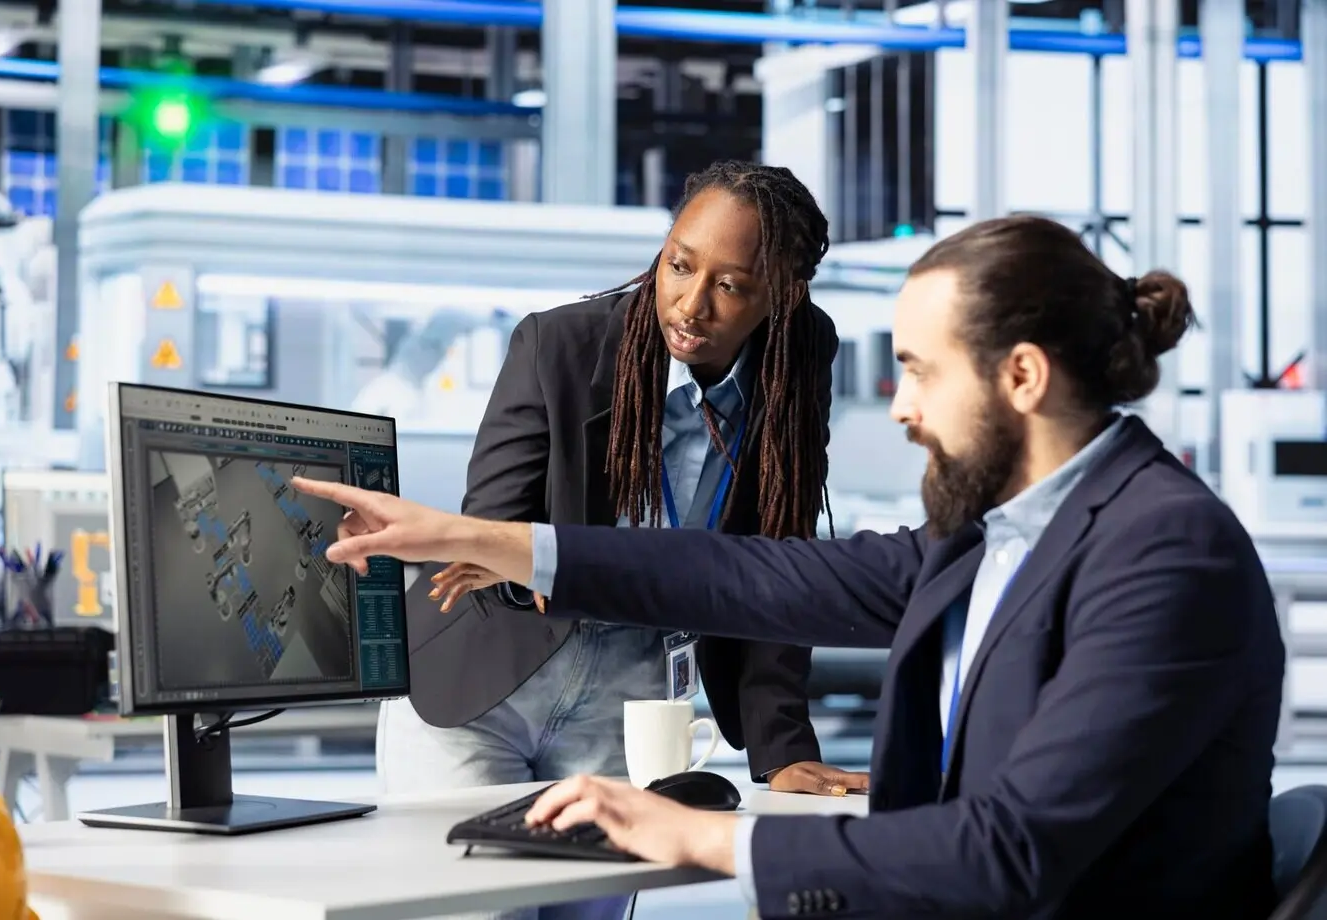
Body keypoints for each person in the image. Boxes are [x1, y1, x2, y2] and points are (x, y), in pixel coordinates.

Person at [295, 215, 1284, 919]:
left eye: (922, 370)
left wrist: (697, 835)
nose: (902, 408)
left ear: (1021, 376)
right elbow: (750, 578)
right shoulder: (1001, 536)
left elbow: (1008, 852)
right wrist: (485, 537)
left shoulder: (1165, 550)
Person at [382, 159, 870, 914]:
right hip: (485, 683)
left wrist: (785, 753)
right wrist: (539, 564)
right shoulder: (560, 346)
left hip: (629, 699)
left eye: (731, 286)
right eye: (679, 265)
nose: (689, 303)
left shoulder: (797, 363)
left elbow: (780, 568)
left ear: (780, 295)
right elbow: (496, 525)